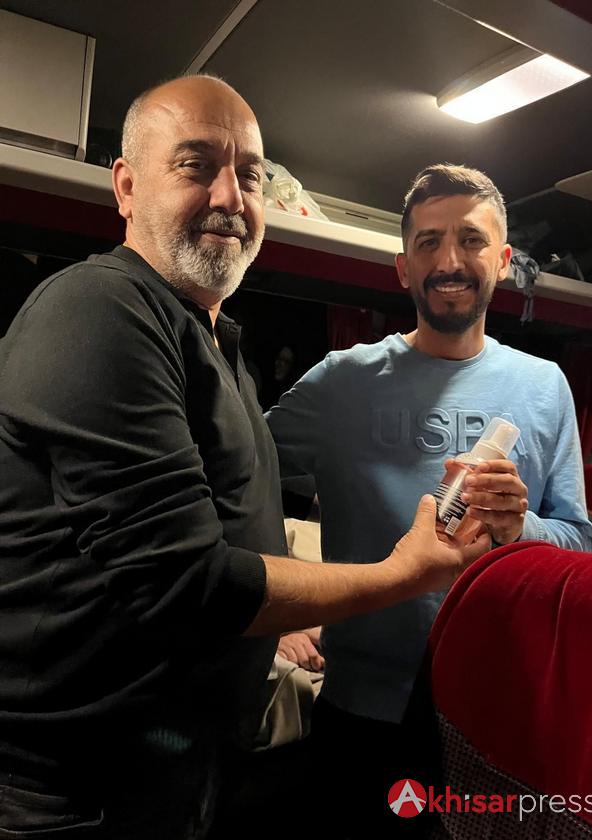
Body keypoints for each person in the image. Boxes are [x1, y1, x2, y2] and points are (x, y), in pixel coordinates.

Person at [0, 80, 486, 839]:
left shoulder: (217, 345)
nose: (231, 196)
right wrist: (406, 573)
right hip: (69, 796)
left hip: (176, 772)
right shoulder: (100, 311)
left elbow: (232, 525)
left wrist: (274, 620)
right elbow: (187, 582)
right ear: (126, 187)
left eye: (251, 175)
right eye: (196, 165)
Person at [267, 163, 592, 835]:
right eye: (429, 242)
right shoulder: (341, 381)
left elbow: (580, 540)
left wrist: (521, 527)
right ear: (403, 268)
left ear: (502, 261)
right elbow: (235, 483)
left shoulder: (545, 386)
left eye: (471, 239)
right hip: (360, 711)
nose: (449, 261)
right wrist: (276, 613)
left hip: (493, 714)